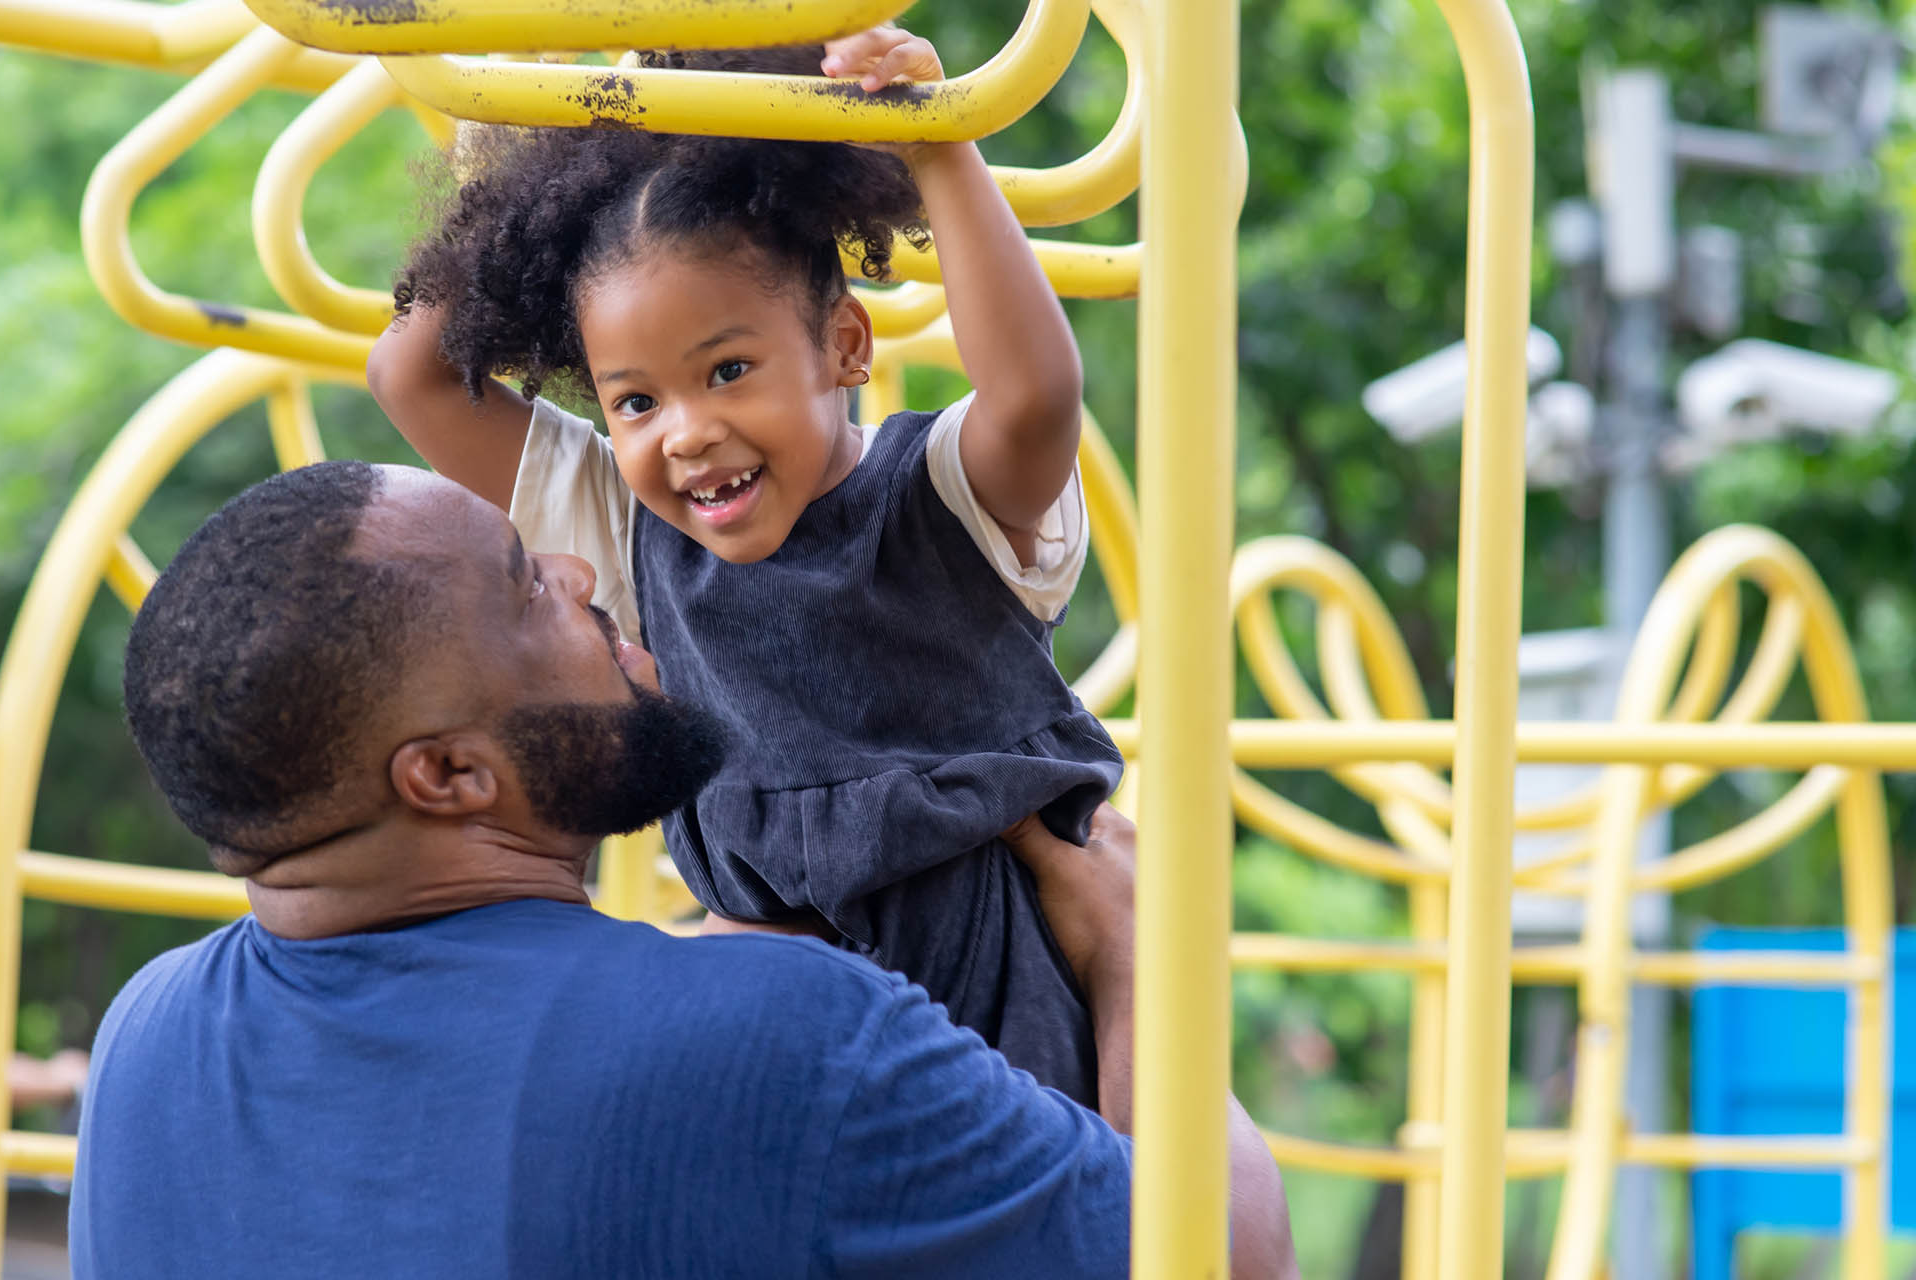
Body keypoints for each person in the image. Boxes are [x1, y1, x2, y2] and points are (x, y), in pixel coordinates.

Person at [68, 462, 1297, 1278]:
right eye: (523, 583)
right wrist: (1138, 956)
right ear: (445, 775)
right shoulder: (786, 1036)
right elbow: (1221, 1250)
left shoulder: (146, 1042)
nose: (580, 573)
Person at [371, 26, 1124, 1108]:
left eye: (728, 369)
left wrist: (937, 145)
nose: (685, 431)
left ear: (845, 346)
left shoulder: (944, 502)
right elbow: (413, 374)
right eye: (635, 399)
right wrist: (542, 147)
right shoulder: (632, 534)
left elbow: (1036, 396)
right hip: (779, 1041)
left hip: (1001, 1022)